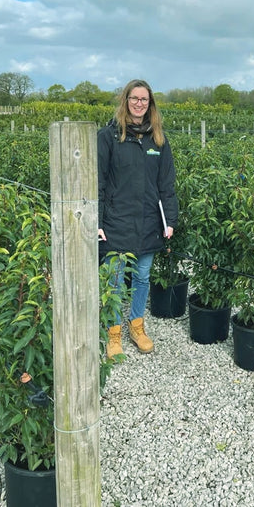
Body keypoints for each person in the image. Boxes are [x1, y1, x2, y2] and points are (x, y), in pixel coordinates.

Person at [98, 79, 178, 359]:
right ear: (125, 100)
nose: (139, 104)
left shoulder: (157, 139)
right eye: (134, 98)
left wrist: (169, 219)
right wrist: (97, 220)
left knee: (142, 278)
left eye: (144, 100)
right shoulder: (109, 136)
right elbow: (99, 181)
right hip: (116, 221)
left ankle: (137, 326)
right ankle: (113, 332)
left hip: (147, 222)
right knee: (115, 280)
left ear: (150, 104)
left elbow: (167, 183)